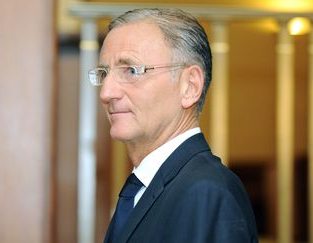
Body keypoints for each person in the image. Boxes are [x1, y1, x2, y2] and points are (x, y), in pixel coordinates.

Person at [88, 8, 258, 243]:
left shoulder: (206, 193)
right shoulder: (146, 187)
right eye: (104, 73)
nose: (106, 93)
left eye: (131, 70)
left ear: (189, 86)